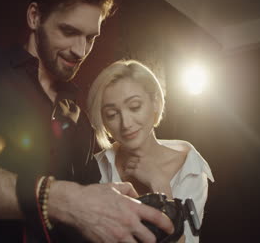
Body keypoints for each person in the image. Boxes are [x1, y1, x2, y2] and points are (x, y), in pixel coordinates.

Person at [0, 0, 174, 242]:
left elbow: (87, 216)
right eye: (68, 31)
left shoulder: (81, 123)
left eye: (90, 37)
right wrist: (60, 199)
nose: (80, 50)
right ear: (35, 17)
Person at [87, 60, 215, 243]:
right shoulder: (94, 167)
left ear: (155, 102)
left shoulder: (190, 168)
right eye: (112, 114)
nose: (126, 123)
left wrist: (159, 184)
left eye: (134, 107)